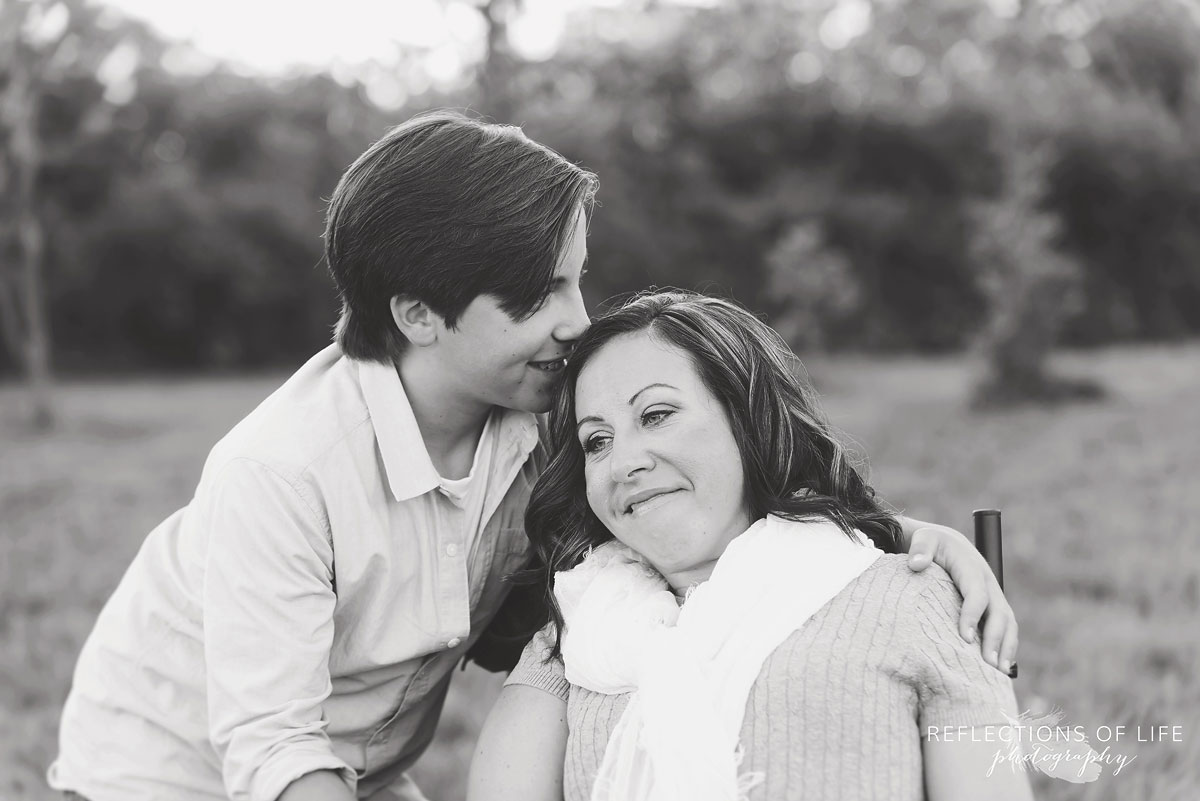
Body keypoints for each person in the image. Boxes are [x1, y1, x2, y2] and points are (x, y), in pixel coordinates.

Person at [49, 112, 1015, 801]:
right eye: (534, 299)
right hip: (183, 774)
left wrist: (904, 547)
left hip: (361, 768)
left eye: (574, 281)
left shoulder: (552, 412)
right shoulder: (283, 470)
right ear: (419, 316)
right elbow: (268, 747)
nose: (575, 324)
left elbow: (698, 521)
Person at [468, 291, 1033, 801]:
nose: (624, 462)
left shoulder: (914, 600)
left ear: (747, 420)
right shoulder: (573, 638)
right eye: (597, 441)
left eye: (657, 415)